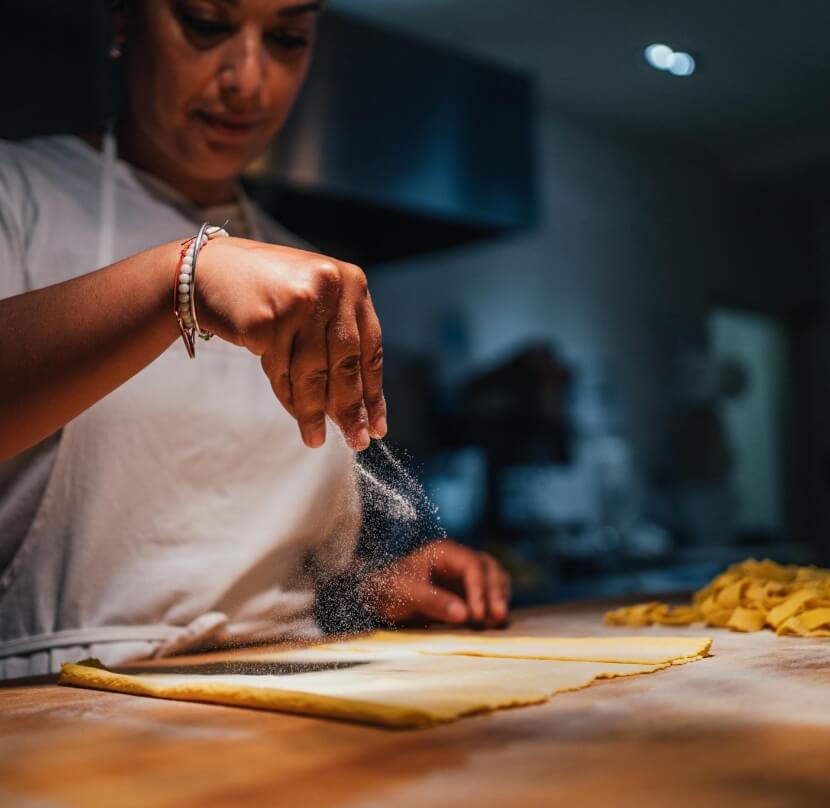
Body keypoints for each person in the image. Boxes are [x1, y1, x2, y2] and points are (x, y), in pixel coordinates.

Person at [0, 0, 510, 679]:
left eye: (287, 39)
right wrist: (179, 278)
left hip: (296, 697)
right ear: (124, 19)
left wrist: (379, 586)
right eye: (207, 24)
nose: (249, 80)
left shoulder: (305, 272)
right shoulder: (19, 195)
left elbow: (289, 574)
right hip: (57, 701)